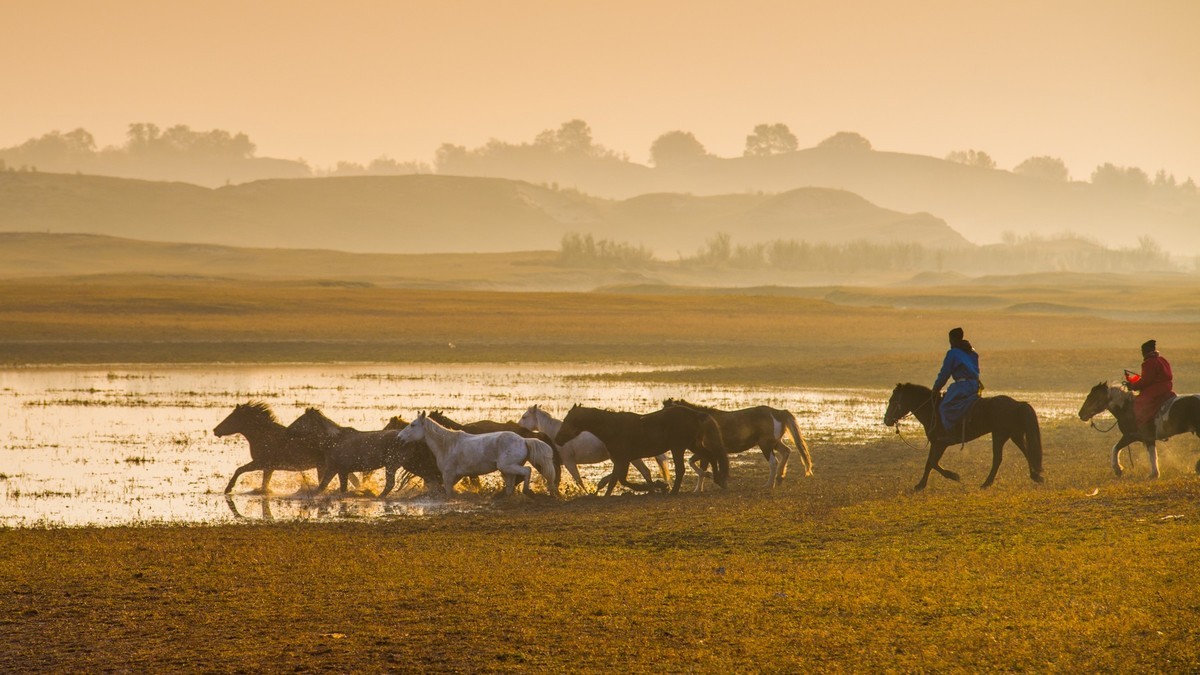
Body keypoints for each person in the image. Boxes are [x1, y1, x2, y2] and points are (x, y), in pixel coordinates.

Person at [932, 327, 981, 441]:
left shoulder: (953, 353)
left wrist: (936, 388)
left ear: (953, 339)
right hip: (974, 385)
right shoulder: (972, 352)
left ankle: (951, 434)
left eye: (950, 340)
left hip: (963, 386)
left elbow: (945, 373)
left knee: (944, 406)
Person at [1126, 339, 1175, 437]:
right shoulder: (1162, 360)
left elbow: (1146, 381)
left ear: (1147, 351)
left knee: (1140, 401)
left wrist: (1133, 386)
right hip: (1167, 386)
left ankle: (1145, 426)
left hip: (1157, 388)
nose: (1142, 353)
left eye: (1143, 351)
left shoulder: (1148, 363)